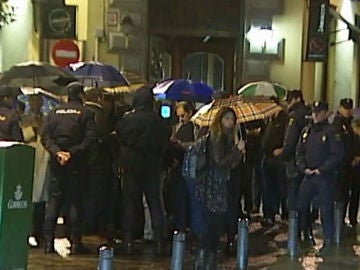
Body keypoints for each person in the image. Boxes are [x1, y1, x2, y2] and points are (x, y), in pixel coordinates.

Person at [41, 82, 96, 254]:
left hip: (57, 163)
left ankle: (48, 242)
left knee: (54, 200)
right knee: (75, 201)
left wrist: (58, 153)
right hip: (77, 163)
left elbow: (45, 137)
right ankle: (76, 242)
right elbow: (90, 139)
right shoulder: (86, 113)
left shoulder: (53, 113)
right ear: (81, 95)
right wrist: (72, 153)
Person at [115, 85, 168, 255]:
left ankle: (129, 239)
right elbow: (164, 140)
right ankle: (160, 240)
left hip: (131, 167)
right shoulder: (158, 120)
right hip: (152, 167)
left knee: (130, 203)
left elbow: (120, 137)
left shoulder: (127, 119)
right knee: (155, 204)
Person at [195, 106, 245, 269]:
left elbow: (232, 165)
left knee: (215, 224)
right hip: (214, 185)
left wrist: (238, 149)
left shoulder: (228, 136)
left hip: (221, 183)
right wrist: (237, 151)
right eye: (227, 119)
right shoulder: (218, 137)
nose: (230, 122)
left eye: (232, 119)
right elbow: (220, 161)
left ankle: (208, 259)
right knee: (213, 224)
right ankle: (205, 260)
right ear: (220, 120)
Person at [296, 101, 344, 256]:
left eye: (319, 112)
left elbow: (336, 154)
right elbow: (299, 152)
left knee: (326, 209)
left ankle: (328, 239)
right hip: (309, 175)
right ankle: (305, 233)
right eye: (314, 111)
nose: (316, 115)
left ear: (325, 113)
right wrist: (304, 167)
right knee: (301, 205)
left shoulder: (331, 132)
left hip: (324, 177)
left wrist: (322, 169)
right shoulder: (307, 131)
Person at [83, 88, 114, 237]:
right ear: (100, 98)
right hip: (98, 160)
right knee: (95, 195)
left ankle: (82, 224)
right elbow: (102, 136)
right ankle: (91, 224)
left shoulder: (82, 111)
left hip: (82, 159)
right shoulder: (99, 114)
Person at [20, 95, 50, 247]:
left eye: (39, 101)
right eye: (34, 100)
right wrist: (33, 127)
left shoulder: (46, 117)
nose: (37, 103)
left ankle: (38, 230)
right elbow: (24, 136)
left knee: (41, 196)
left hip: (43, 159)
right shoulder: (23, 118)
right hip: (28, 158)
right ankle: (28, 230)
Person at [261, 108, 288, 225]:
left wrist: (282, 150)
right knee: (268, 188)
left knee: (281, 188)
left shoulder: (284, 119)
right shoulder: (268, 120)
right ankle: (269, 214)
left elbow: (288, 138)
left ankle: (285, 214)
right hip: (267, 157)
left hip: (278, 159)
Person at [331, 98, 354, 223]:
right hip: (341, 165)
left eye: (349, 108)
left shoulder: (352, 121)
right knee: (340, 195)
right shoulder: (337, 123)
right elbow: (339, 146)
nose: (348, 111)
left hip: (351, 165)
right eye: (346, 108)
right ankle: (338, 221)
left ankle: (349, 219)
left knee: (349, 195)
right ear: (340, 108)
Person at [349, 118, 360, 230]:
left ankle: (353, 218)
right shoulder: (353, 138)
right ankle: (352, 218)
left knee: (355, 195)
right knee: (354, 195)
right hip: (354, 170)